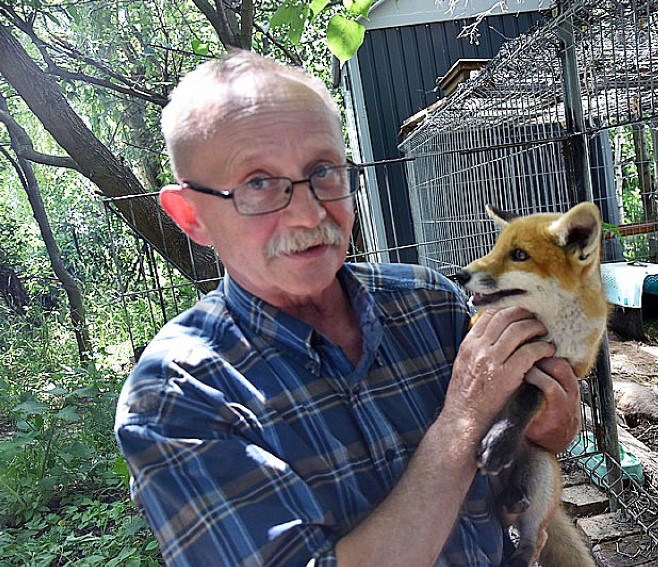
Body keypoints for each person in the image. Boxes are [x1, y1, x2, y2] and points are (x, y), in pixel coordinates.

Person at [115, 49, 582, 567]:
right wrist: (462, 420)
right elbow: (473, 418)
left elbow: (547, 436)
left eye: (323, 171)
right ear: (191, 216)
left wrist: (548, 420)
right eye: (258, 183)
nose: (308, 212)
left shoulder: (432, 304)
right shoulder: (176, 399)